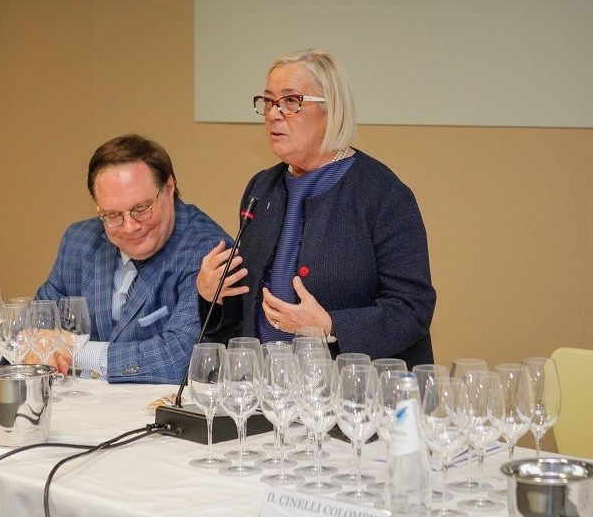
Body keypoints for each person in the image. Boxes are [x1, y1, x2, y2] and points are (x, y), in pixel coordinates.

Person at [197, 49, 436, 367]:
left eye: (290, 101)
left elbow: (412, 309)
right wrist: (213, 294)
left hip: (354, 388)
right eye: (268, 101)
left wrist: (330, 327)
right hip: (269, 385)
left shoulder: (382, 194)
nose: (273, 114)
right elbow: (247, 304)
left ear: (331, 110)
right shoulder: (261, 188)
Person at [33, 134, 231, 383]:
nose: (129, 227)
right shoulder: (79, 241)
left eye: (141, 209)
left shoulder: (207, 251)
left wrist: (75, 351)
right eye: (112, 215)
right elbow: (34, 324)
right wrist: (35, 342)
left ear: (169, 188)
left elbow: (179, 359)